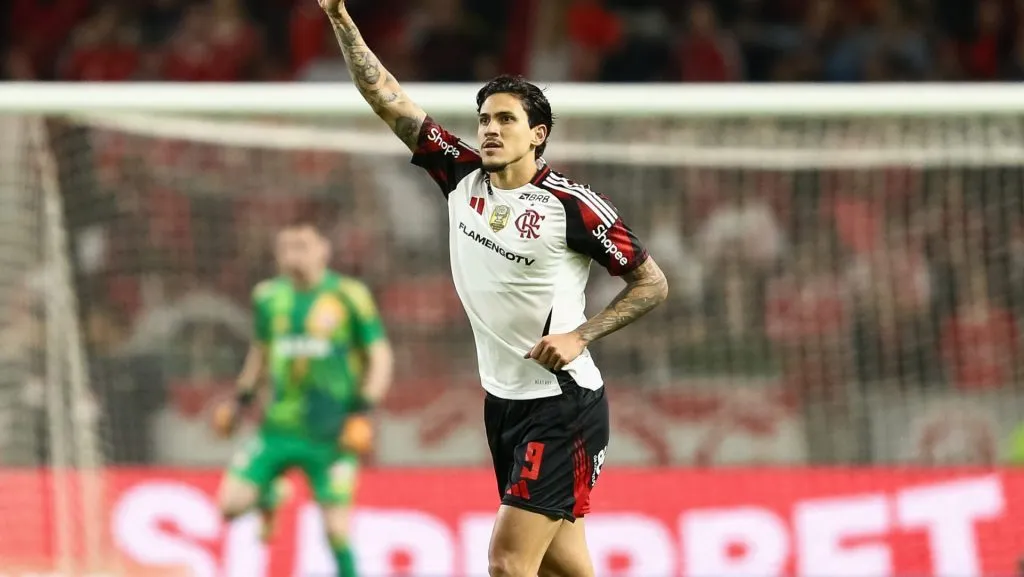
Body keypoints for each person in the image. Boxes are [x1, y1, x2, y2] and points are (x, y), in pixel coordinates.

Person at [317, 1, 669, 575]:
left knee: (507, 562)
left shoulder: (572, 206)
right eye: (484, 119)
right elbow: (387, 97)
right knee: (561, 564)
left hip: (563, 403)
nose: (490, 129)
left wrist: (580, 336)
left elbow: (651, 283)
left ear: (538, 134)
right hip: (503, 402)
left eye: (506, 119)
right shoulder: (460, 176)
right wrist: (339, 17)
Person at [212, 219, 394, 577]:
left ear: (323, 250)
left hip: (333, 433)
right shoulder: (268, 297)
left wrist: (363, 411)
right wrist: (240, 400)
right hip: (277, 428)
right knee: (229, 506)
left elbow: (380, 356)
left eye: (302, 246)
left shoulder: (349, 295)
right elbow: (261, 352)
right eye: (286, 248)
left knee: (336, 530)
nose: (293, 255)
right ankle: (271, 494)